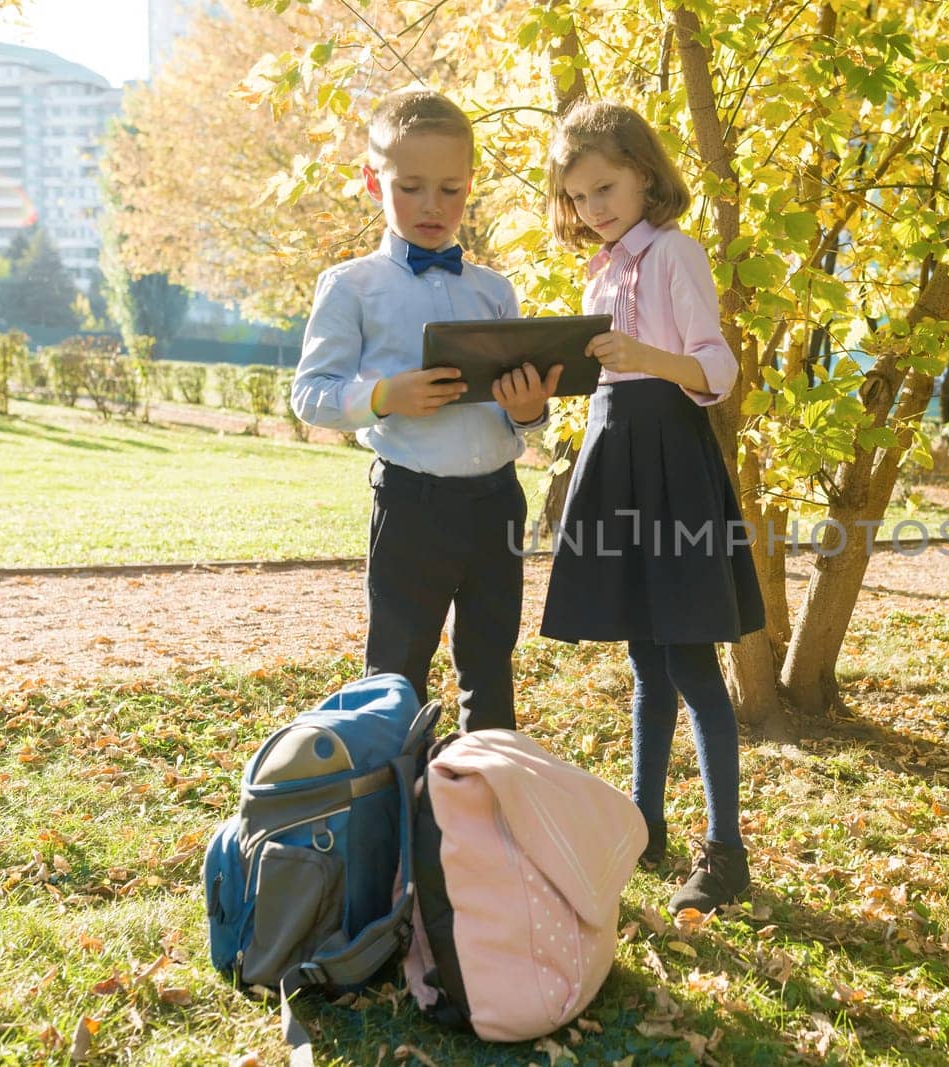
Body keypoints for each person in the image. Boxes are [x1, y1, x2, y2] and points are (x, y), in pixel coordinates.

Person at [540, 101, 765, 914]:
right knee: (643, 661)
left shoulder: (676, 253)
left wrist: (641, 356)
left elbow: (717, 370)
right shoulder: (598, 270)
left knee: (692, 663)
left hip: (671, 457)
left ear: (644, 173)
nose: (593, 207)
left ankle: (727, 853)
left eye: (606, 187)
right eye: (577, 197)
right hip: (614, 455)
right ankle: (645, 827)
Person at [291, 90, 559, 732]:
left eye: (450, 188)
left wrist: (527, 413)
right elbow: (310, 394)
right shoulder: (351, 286)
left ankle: (487, 802)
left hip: (497, 501)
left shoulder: (494, 292)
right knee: (395, 667)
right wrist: (385, 397)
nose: (433, 206)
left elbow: (523, 422)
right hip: (411, 504)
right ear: (371, 181)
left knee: (491, 660)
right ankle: (391, 812)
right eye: (411, 187)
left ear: (471, 185)